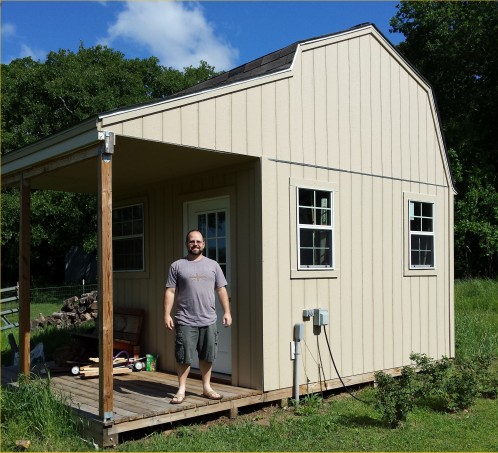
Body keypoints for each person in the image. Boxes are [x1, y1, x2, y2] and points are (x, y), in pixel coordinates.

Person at [163, 229, 232, 404]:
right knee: (183, 356)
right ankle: (181, 390)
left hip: (208, 319)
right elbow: (170, 291)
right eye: (192, 241)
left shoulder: (213, 265)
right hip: (185, 319)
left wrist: (227, 311)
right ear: (187, 244)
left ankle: (207, 387)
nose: (195, 244)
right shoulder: (177, 266)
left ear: (204, 244)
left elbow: (221, 289)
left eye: (198, 241)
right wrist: (167, 314)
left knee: (207, 355)